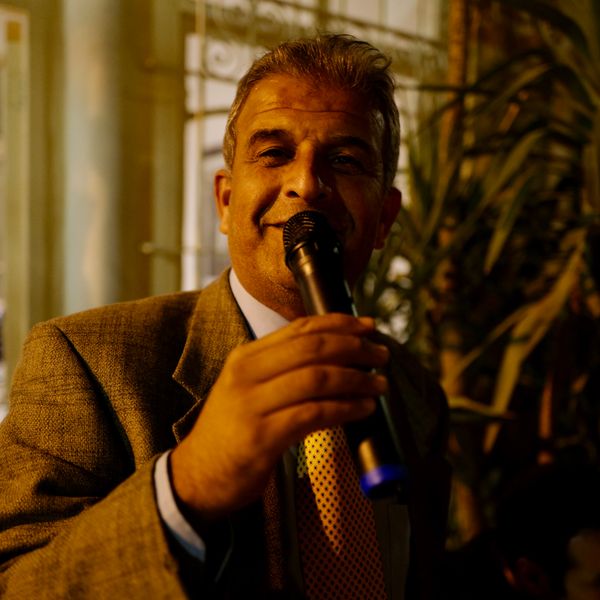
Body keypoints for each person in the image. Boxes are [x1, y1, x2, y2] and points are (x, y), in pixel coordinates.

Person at [0, 34, 450, 598]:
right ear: (226, 200)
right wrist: (187, 484)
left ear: (384, 219)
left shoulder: (414, 392)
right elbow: (14, 584)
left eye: (345, 160)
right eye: (274, 153)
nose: (306, 183)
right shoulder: (84, 361)